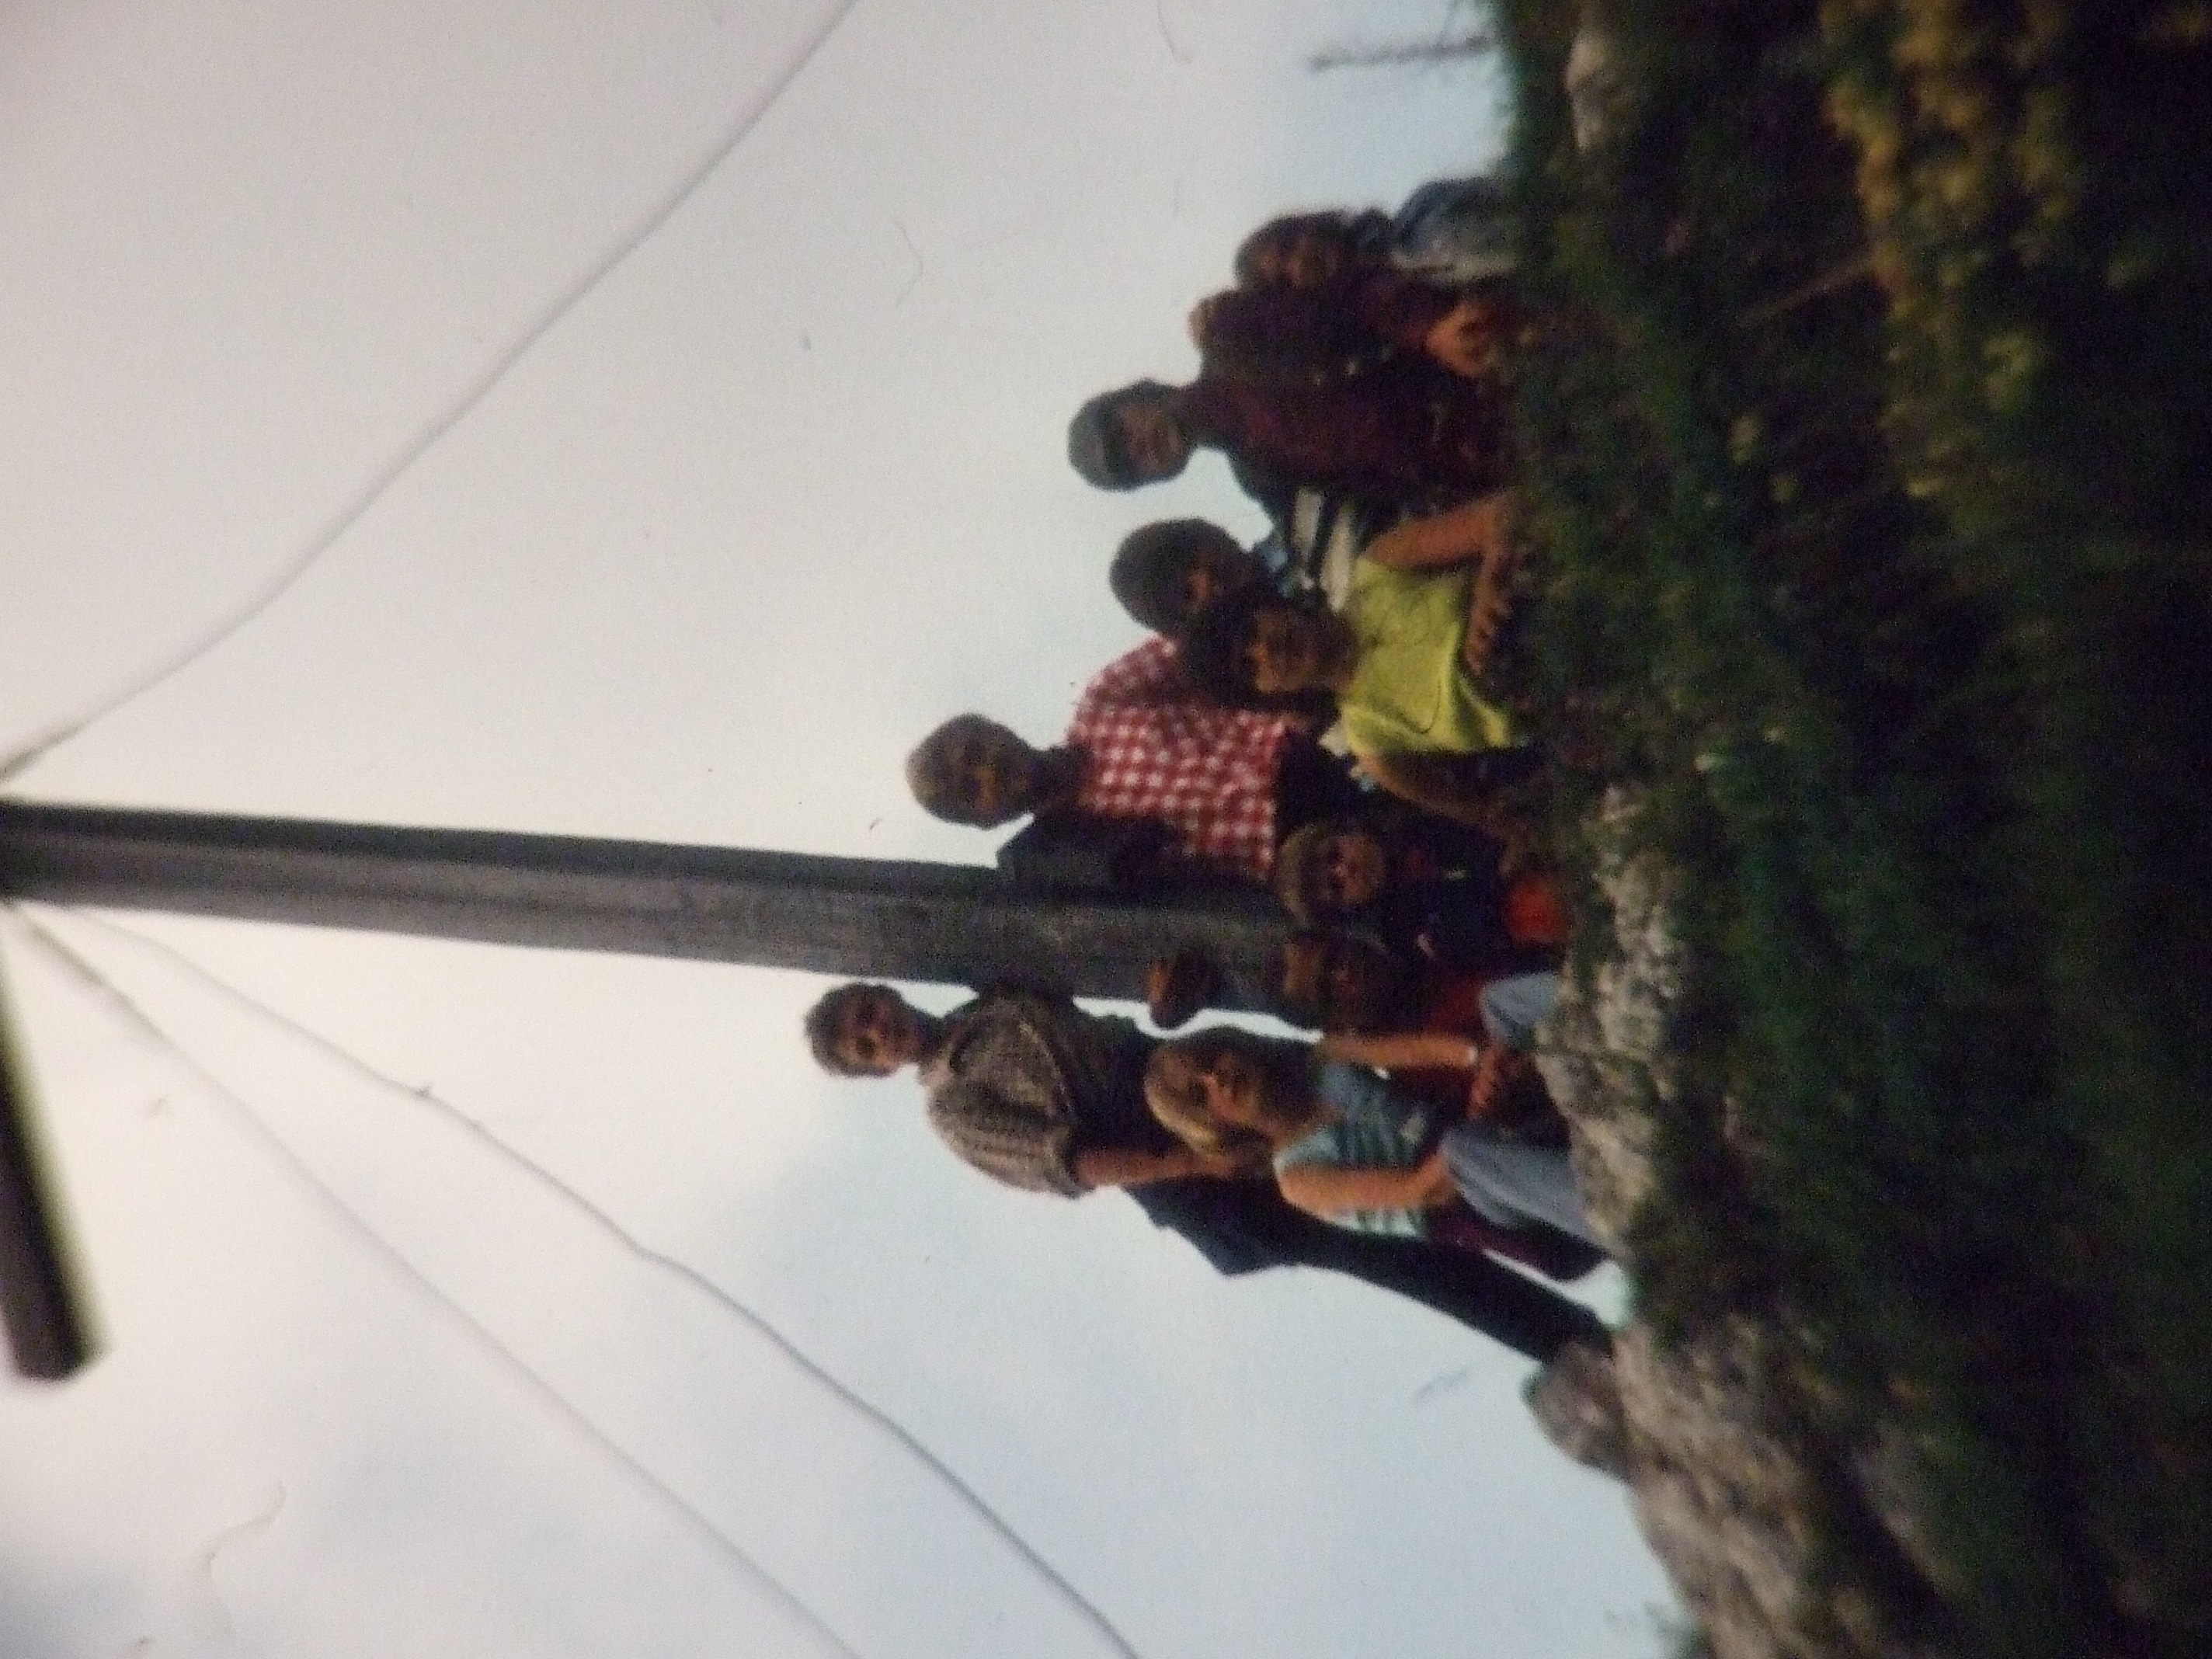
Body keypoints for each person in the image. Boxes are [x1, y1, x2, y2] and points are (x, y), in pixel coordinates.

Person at [803, 980, 1609, 1359]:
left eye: (869, 1014)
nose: (880, 1031)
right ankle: (1575, 1337)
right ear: (877, 1069)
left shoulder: (989, 999)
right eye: (865, 1045)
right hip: (1175, 1160)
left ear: (883, 993)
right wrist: (1196, 1162)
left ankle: (1557, 1186)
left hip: (1195, 1080)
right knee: (1392, 1243)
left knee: (1380, 1122)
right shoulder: (952, 1105)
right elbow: (1070, 1162)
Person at [904, 636, 1365, 891]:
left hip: (1314, 749)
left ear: (994, 728)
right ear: (985, 822)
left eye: (976, 753)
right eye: (971, 790)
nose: (988, 772)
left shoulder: (1103, 700)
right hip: (1309, 860)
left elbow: (1208, 648)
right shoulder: (1074, 854)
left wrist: (1291, 703)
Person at [1178, 533, 1539, 832]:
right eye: (1248, 667)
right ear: (1267, 694)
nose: (1264, 650)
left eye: (1249, 631)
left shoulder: (1381, 565)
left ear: (1263, 605)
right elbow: (1489, 815)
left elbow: (1503, 514)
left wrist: (1490, 586)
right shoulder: (1373, 746)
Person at [1145, 1022, 1609, 1254]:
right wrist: (1479, 1117)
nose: (1217, 1079)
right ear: (1213, 1127)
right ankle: (1617, 1211)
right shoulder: (1298, 1179)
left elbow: (1419, 1050)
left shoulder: (1322, 1059)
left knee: (1500, 1010)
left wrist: (1478, 1059)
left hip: (1482, 1127)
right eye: (1201, 1095)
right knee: (1463, 1152)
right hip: (1481, 1205)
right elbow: (1424, 1191)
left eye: (1211, 1062)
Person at [1065, 362, 1508, 527]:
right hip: (1491, 465)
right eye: (1131, 468)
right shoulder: (1261, 478)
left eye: (1123, 432)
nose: (1140, 449)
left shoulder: (1232, 345)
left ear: (1136, 396)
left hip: (1472, 372)